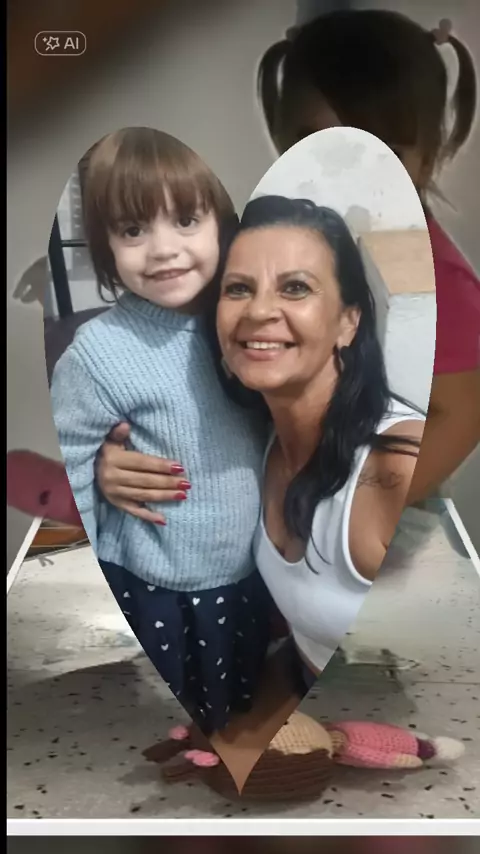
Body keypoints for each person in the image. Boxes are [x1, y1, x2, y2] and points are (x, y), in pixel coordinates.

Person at [103, 194, 425, 686]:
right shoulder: (255, 437)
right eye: (238, 289)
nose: (259, 311)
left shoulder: (396, 466)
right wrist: (107, 471)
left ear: (348, 320)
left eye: (295, 288)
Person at [49, 127, 273, 736]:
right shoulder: (97, 353)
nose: (163, 250)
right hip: (158, 585)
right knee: (165, 728)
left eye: (187, 220)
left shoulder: (251, 320)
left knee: (239, 708)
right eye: (132, 230)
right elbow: (68, 474)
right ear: (104, 246)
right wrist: (97, 476)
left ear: (222, 222)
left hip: (249, 571)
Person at [257, 9, 480, 502]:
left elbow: (462, 410)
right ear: (280, 137)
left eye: (387, 151)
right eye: (317, 143)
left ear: (428, 156)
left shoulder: (429, 276)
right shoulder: (284, 234)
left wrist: (359, 509)